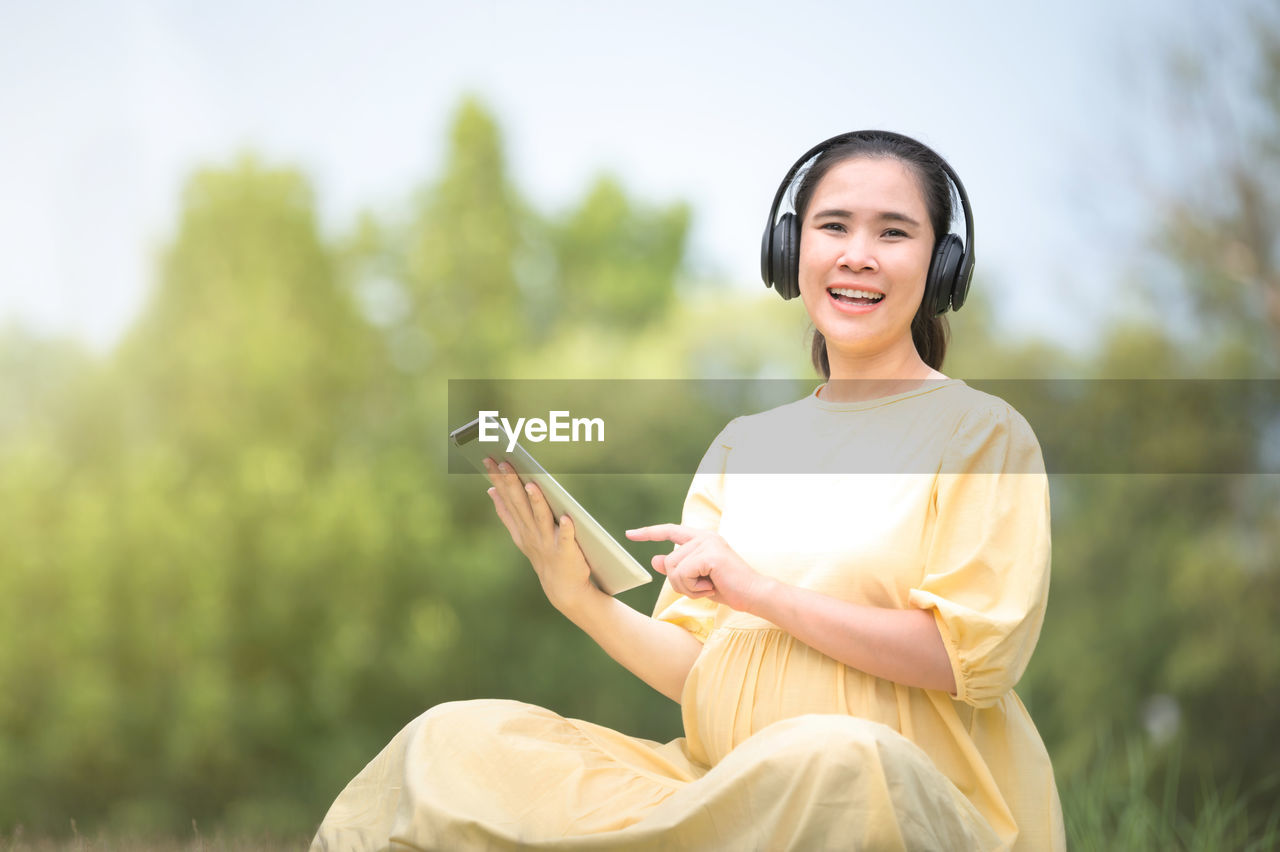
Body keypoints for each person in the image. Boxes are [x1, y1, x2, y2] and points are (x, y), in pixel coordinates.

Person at [311, 130, 1065, 851]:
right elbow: (698, 667)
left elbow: (966, 657)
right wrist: (578, 596)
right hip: (720, 786)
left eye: (893, 233)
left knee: (837, 762)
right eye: (834, 226)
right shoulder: (746, 444)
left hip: (894, 793)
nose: (859, 256)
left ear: (942, 266)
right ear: (791, 251)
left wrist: (759, 591)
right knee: (456, 742)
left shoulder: (983, 435)